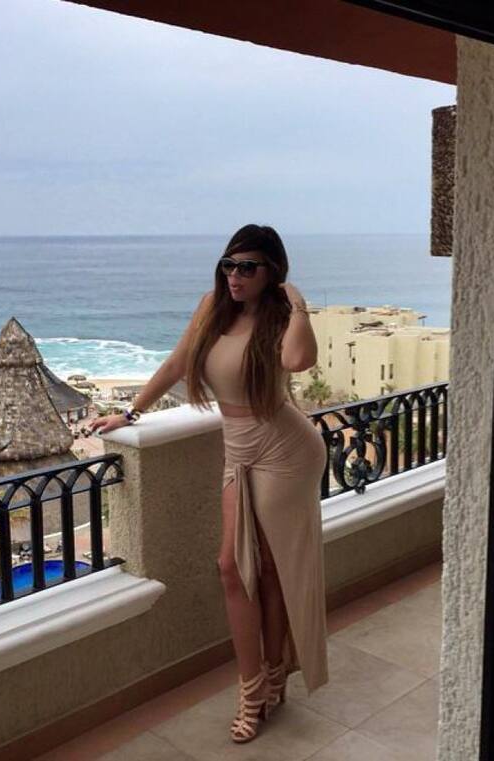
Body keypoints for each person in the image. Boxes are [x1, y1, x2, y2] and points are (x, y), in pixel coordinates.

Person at [89, 224, 329, 743]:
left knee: (269, 568)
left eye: (248, 267)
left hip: (286, 450)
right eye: (229, 264)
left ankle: (266, 682)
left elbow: (297, 361)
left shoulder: (280, 317)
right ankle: (258, 684)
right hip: (239, 451)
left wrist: (298, 304)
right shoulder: (212, 307)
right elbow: (178, 362)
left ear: (271, 273)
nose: (235, 276)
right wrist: (129, 413)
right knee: (233, 567)